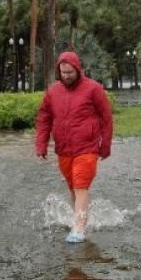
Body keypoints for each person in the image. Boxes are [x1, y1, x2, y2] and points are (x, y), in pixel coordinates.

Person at [35, 51, 113, 243]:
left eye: (70, 72)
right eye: (63, 72)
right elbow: (44, 118)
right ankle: (82, 217)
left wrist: (106, 145)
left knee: (80, 185)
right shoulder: (53, 91)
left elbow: (106, 118)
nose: (67, 76)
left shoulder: (93, 89)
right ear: (58, 71)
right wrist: (41, 144)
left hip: (87, 148)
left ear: (78, 69)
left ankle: (78, 228)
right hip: (64, 148)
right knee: (73, 188)